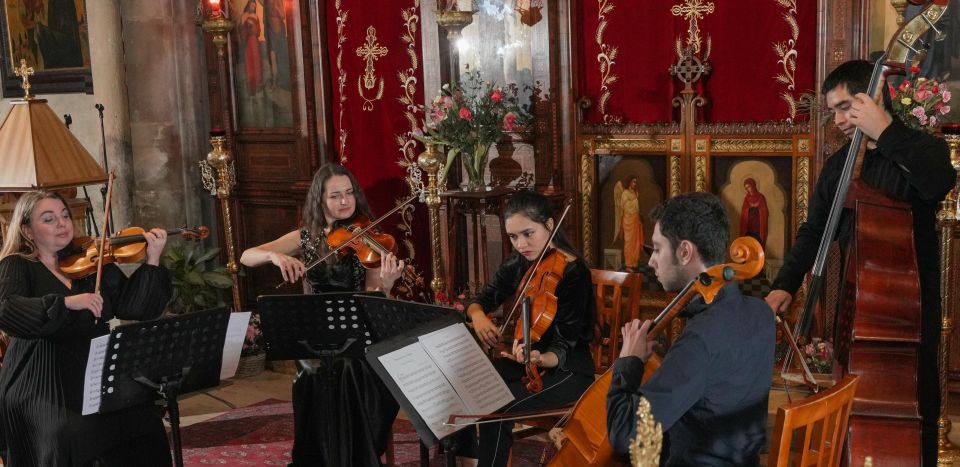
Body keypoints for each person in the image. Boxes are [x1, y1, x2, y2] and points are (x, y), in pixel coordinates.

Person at [765, 60, 956, 466]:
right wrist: (784, 284)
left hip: (909, 314)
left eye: (845, 106)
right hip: (859, 314)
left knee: (917, 411)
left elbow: (939, 180)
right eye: (832, 110)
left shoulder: (919, 147)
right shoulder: (839, 166)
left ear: (872, 99)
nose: (837, 120)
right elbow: (814, 231)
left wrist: (886, 131)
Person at [239, 163, 404, 466]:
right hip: (315, 335)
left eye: (349, 193)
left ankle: (353, 457)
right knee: (317, 370)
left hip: (357, 333)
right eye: (336, 196)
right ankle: (319, 458)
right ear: (320, 200)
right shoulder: (306, 238)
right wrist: (274, 256)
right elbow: (246, 256)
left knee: (348, 368)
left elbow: (372, 300)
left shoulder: (368, 237)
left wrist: (387, 284)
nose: (345, 201)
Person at [0, 190, 172, 466]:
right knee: (69, 433)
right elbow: (6, 309)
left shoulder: (90, 262)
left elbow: (133, 307)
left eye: (65, 215)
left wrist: (152, 260)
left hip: (95, 367)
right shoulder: (17, 265)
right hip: (41, 374)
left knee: (143, 422)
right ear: (27, 230)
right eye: (49, 218)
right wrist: (66, 303)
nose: (62, 223)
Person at [607, 192, 775, 465]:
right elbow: (715, 384)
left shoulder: (700, 339)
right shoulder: (762, 313)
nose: (651, 261)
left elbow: (625, 435)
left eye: (658, 249)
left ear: (685, 251)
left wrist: (628, 363)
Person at [461, 189, 596, 467]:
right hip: (529, 362)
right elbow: (484, 297)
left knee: (497, 407)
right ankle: (471, 458)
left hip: (568, 369)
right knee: (475, 385)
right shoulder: (521, 261)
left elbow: (565, 344)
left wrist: (540, 357)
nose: (521, 244)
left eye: (528, 233)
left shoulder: (574, 272)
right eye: (513, 237)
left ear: (549, 225)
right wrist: (478, 315)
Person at [739, 178, 768, 246]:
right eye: (746, 188)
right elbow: (743, 211)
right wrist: (749, 209)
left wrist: (758, 209)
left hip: (758, 226)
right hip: (749, 226)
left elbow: (765, 211)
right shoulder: (746, 198)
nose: (748, 189)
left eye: (749, 187)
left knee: (757, 243)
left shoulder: (761, 197)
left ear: (753, 185)